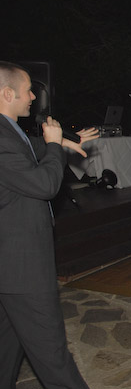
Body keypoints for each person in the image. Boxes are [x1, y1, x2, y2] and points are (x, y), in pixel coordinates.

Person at [0, 61, 98, 388]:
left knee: (6, 348)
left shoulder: (7, 129)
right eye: (28, 90)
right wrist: (55, 145)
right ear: (7, 93)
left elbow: (25, 149)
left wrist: (63, 141)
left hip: (10, 267)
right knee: (52, 354)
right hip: (21, 266)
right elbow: (44, 185)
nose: (33, 97)